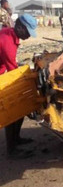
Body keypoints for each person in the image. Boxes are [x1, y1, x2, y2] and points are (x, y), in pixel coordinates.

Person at [1, 14, 37, 158]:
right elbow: (13, 70)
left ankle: (16, 139)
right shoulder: (6, 41)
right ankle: (12, 149)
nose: (28, 35)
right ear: (20, 27)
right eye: (27, 31)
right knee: (12, 109)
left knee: (20, 109)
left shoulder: (10, 34)